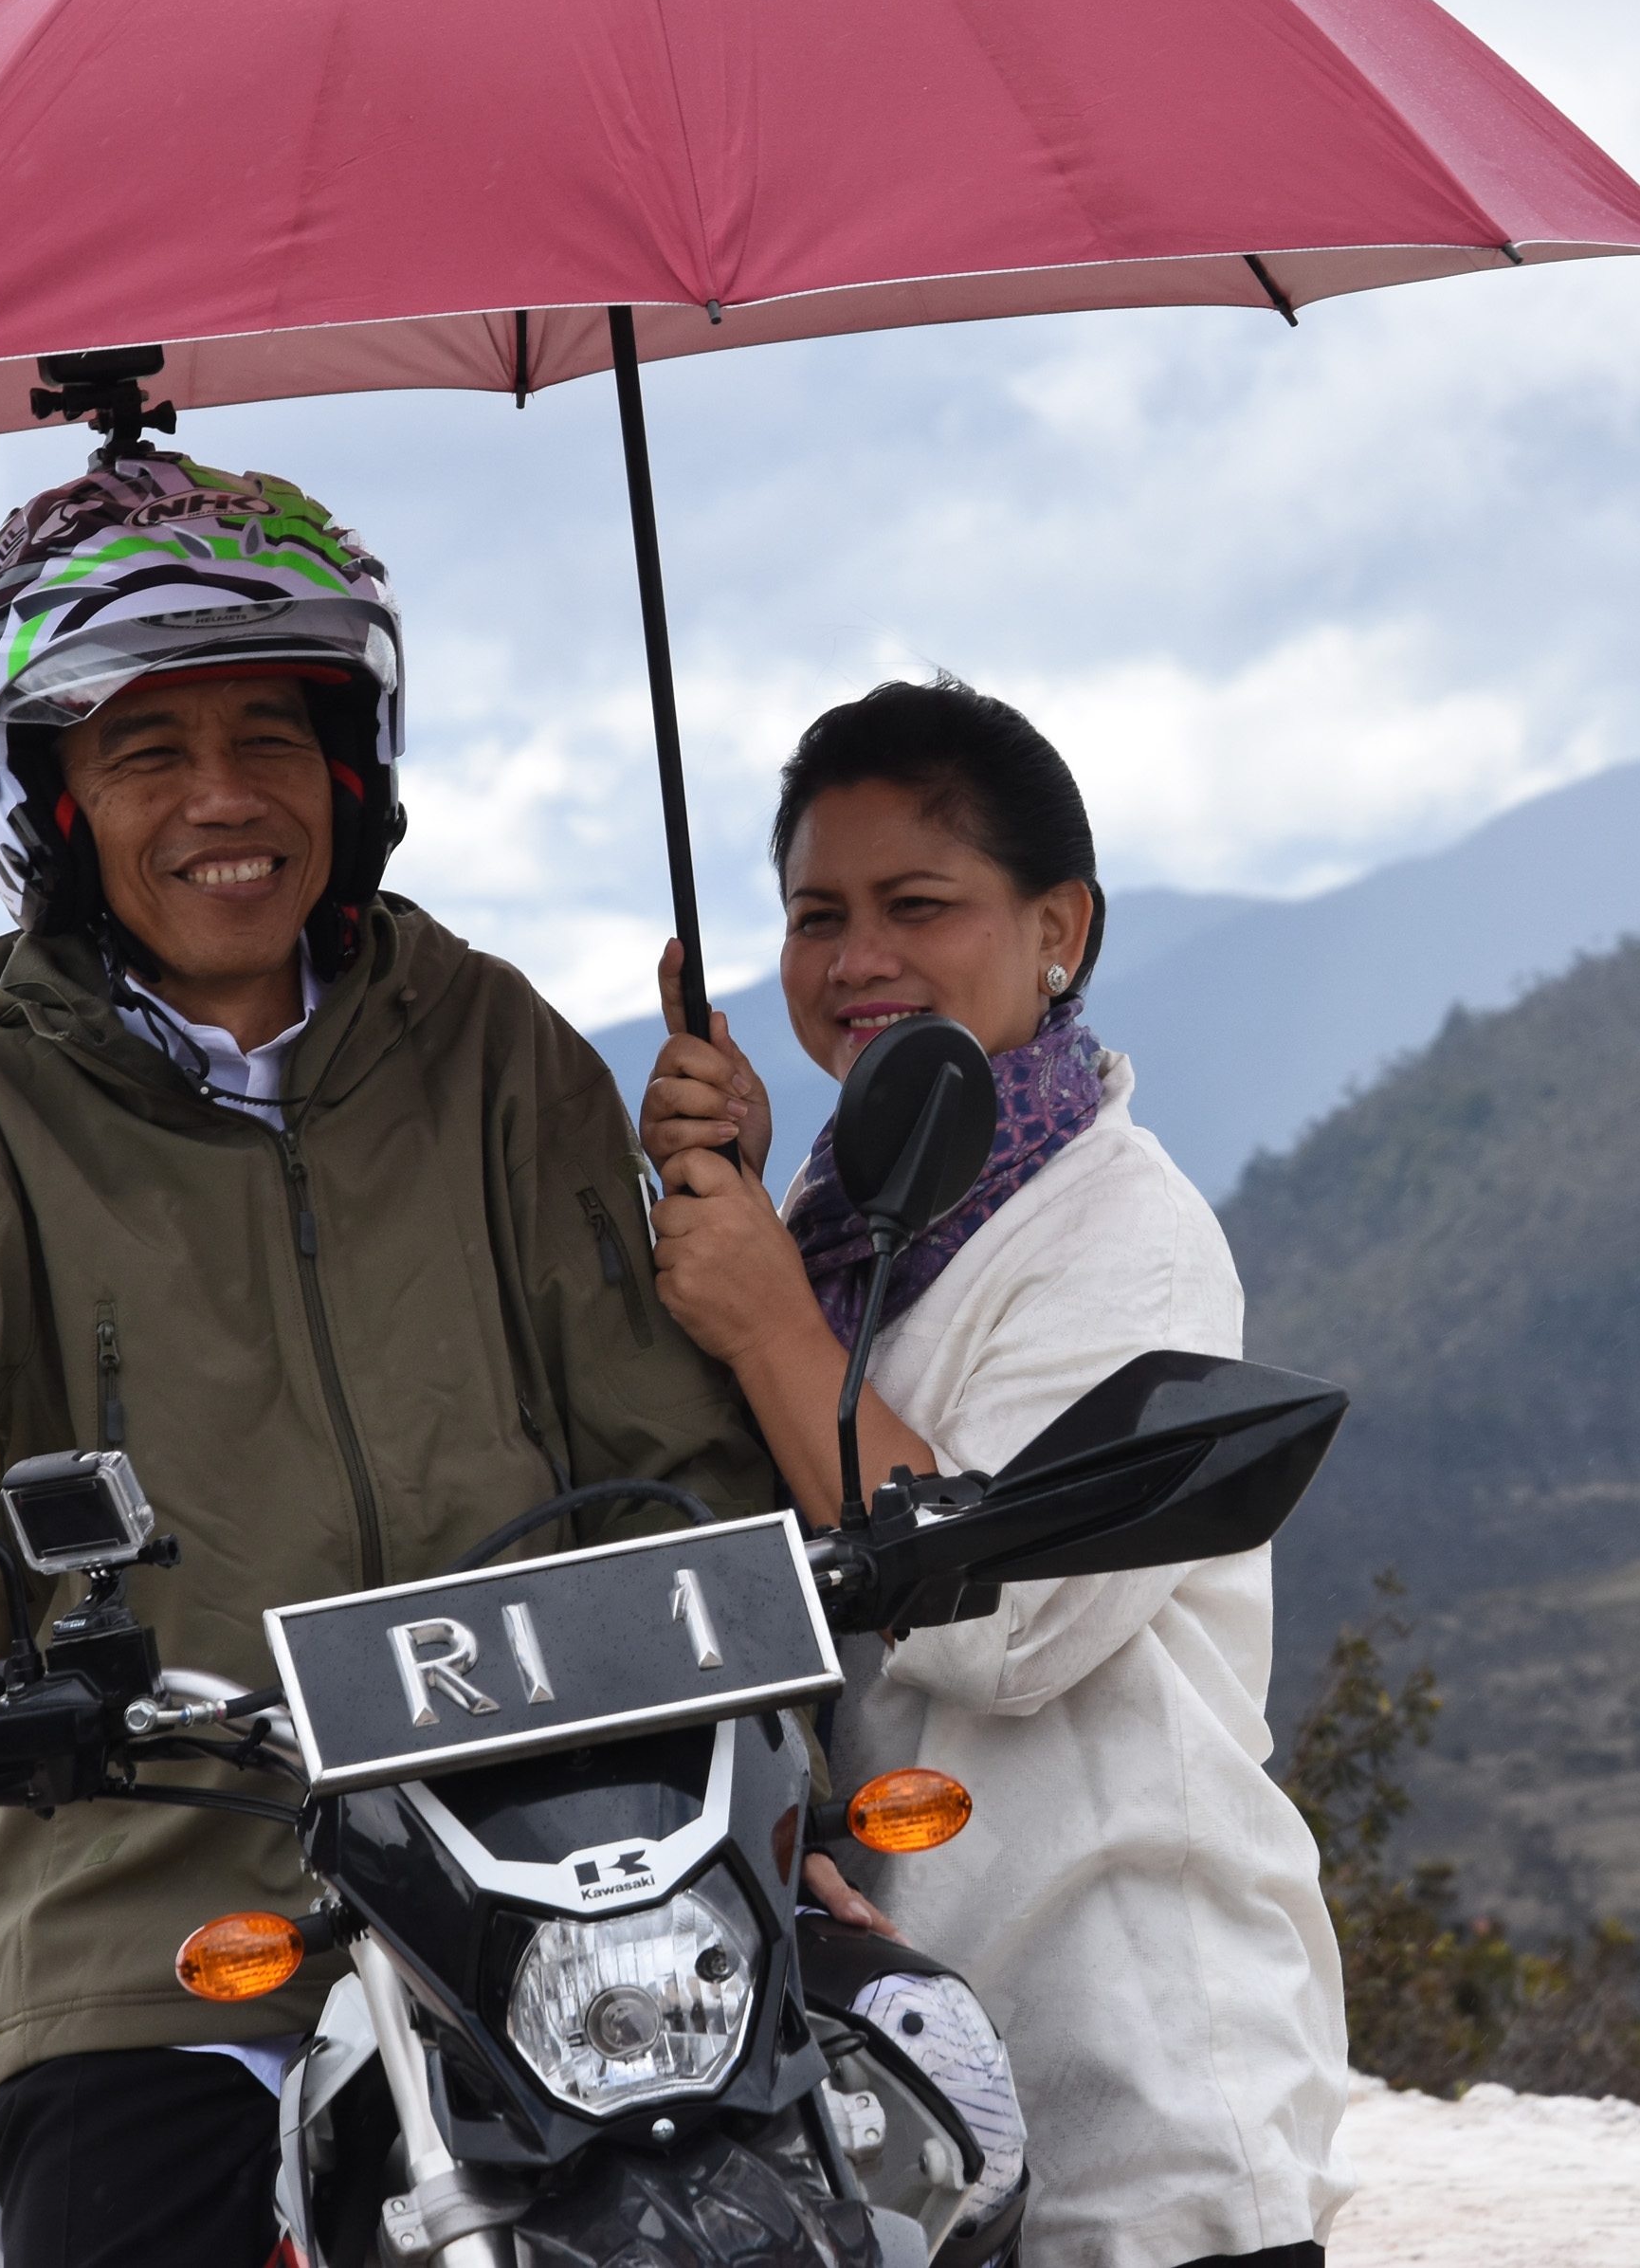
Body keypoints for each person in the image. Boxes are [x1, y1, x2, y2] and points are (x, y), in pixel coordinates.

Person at [0, 448, 776, 2268]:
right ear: (49, 802)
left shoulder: (491, 1044)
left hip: (564, 1848)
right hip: (168, 1882)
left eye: (271, 734)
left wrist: (787, 1647)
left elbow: (669, 1444)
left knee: (892, 2147)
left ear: (353, 764)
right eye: (147, 752)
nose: (224, 799)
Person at [641, 677, 1352, 2268]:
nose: (856, 959)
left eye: (917, 903)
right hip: (907, 2078)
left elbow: (1012, 1625)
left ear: (1060, 929)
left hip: (1131, 2068)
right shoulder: (844, 1212)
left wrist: (763, 1316)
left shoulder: (1124, 1232)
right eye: (816, 914)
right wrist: (742, 1207)